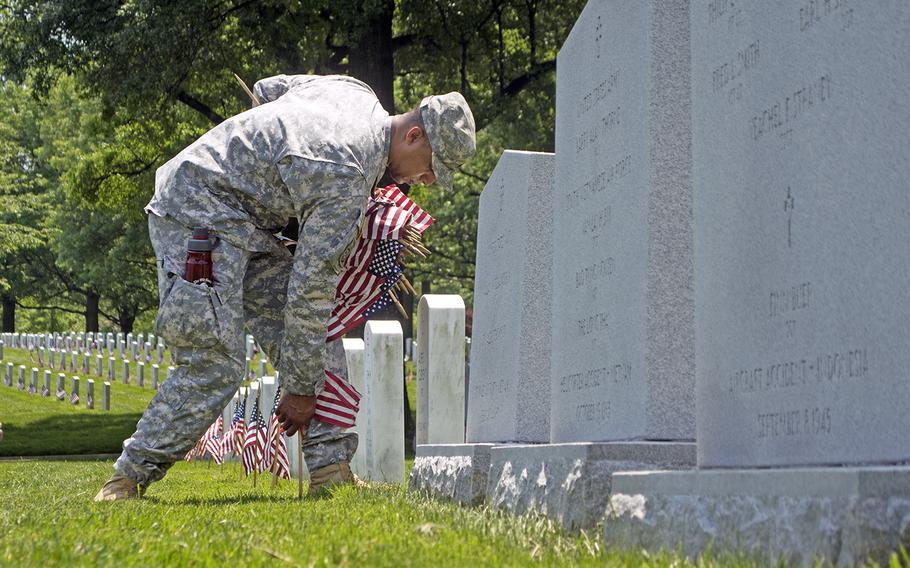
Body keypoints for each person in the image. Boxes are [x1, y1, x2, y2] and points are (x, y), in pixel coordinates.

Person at [94, 74, 476, 500]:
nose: (422, 182)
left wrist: (267, 163)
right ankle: (127, 478)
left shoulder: (356, 90)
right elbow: (310, 289)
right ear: (413, 134)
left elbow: (266, 88)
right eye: (429, 169)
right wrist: (298, 388)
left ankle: (331, 472)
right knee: (215, 362)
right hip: (194, 211)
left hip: (251, 224)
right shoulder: (346, 174)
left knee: (321, 337)